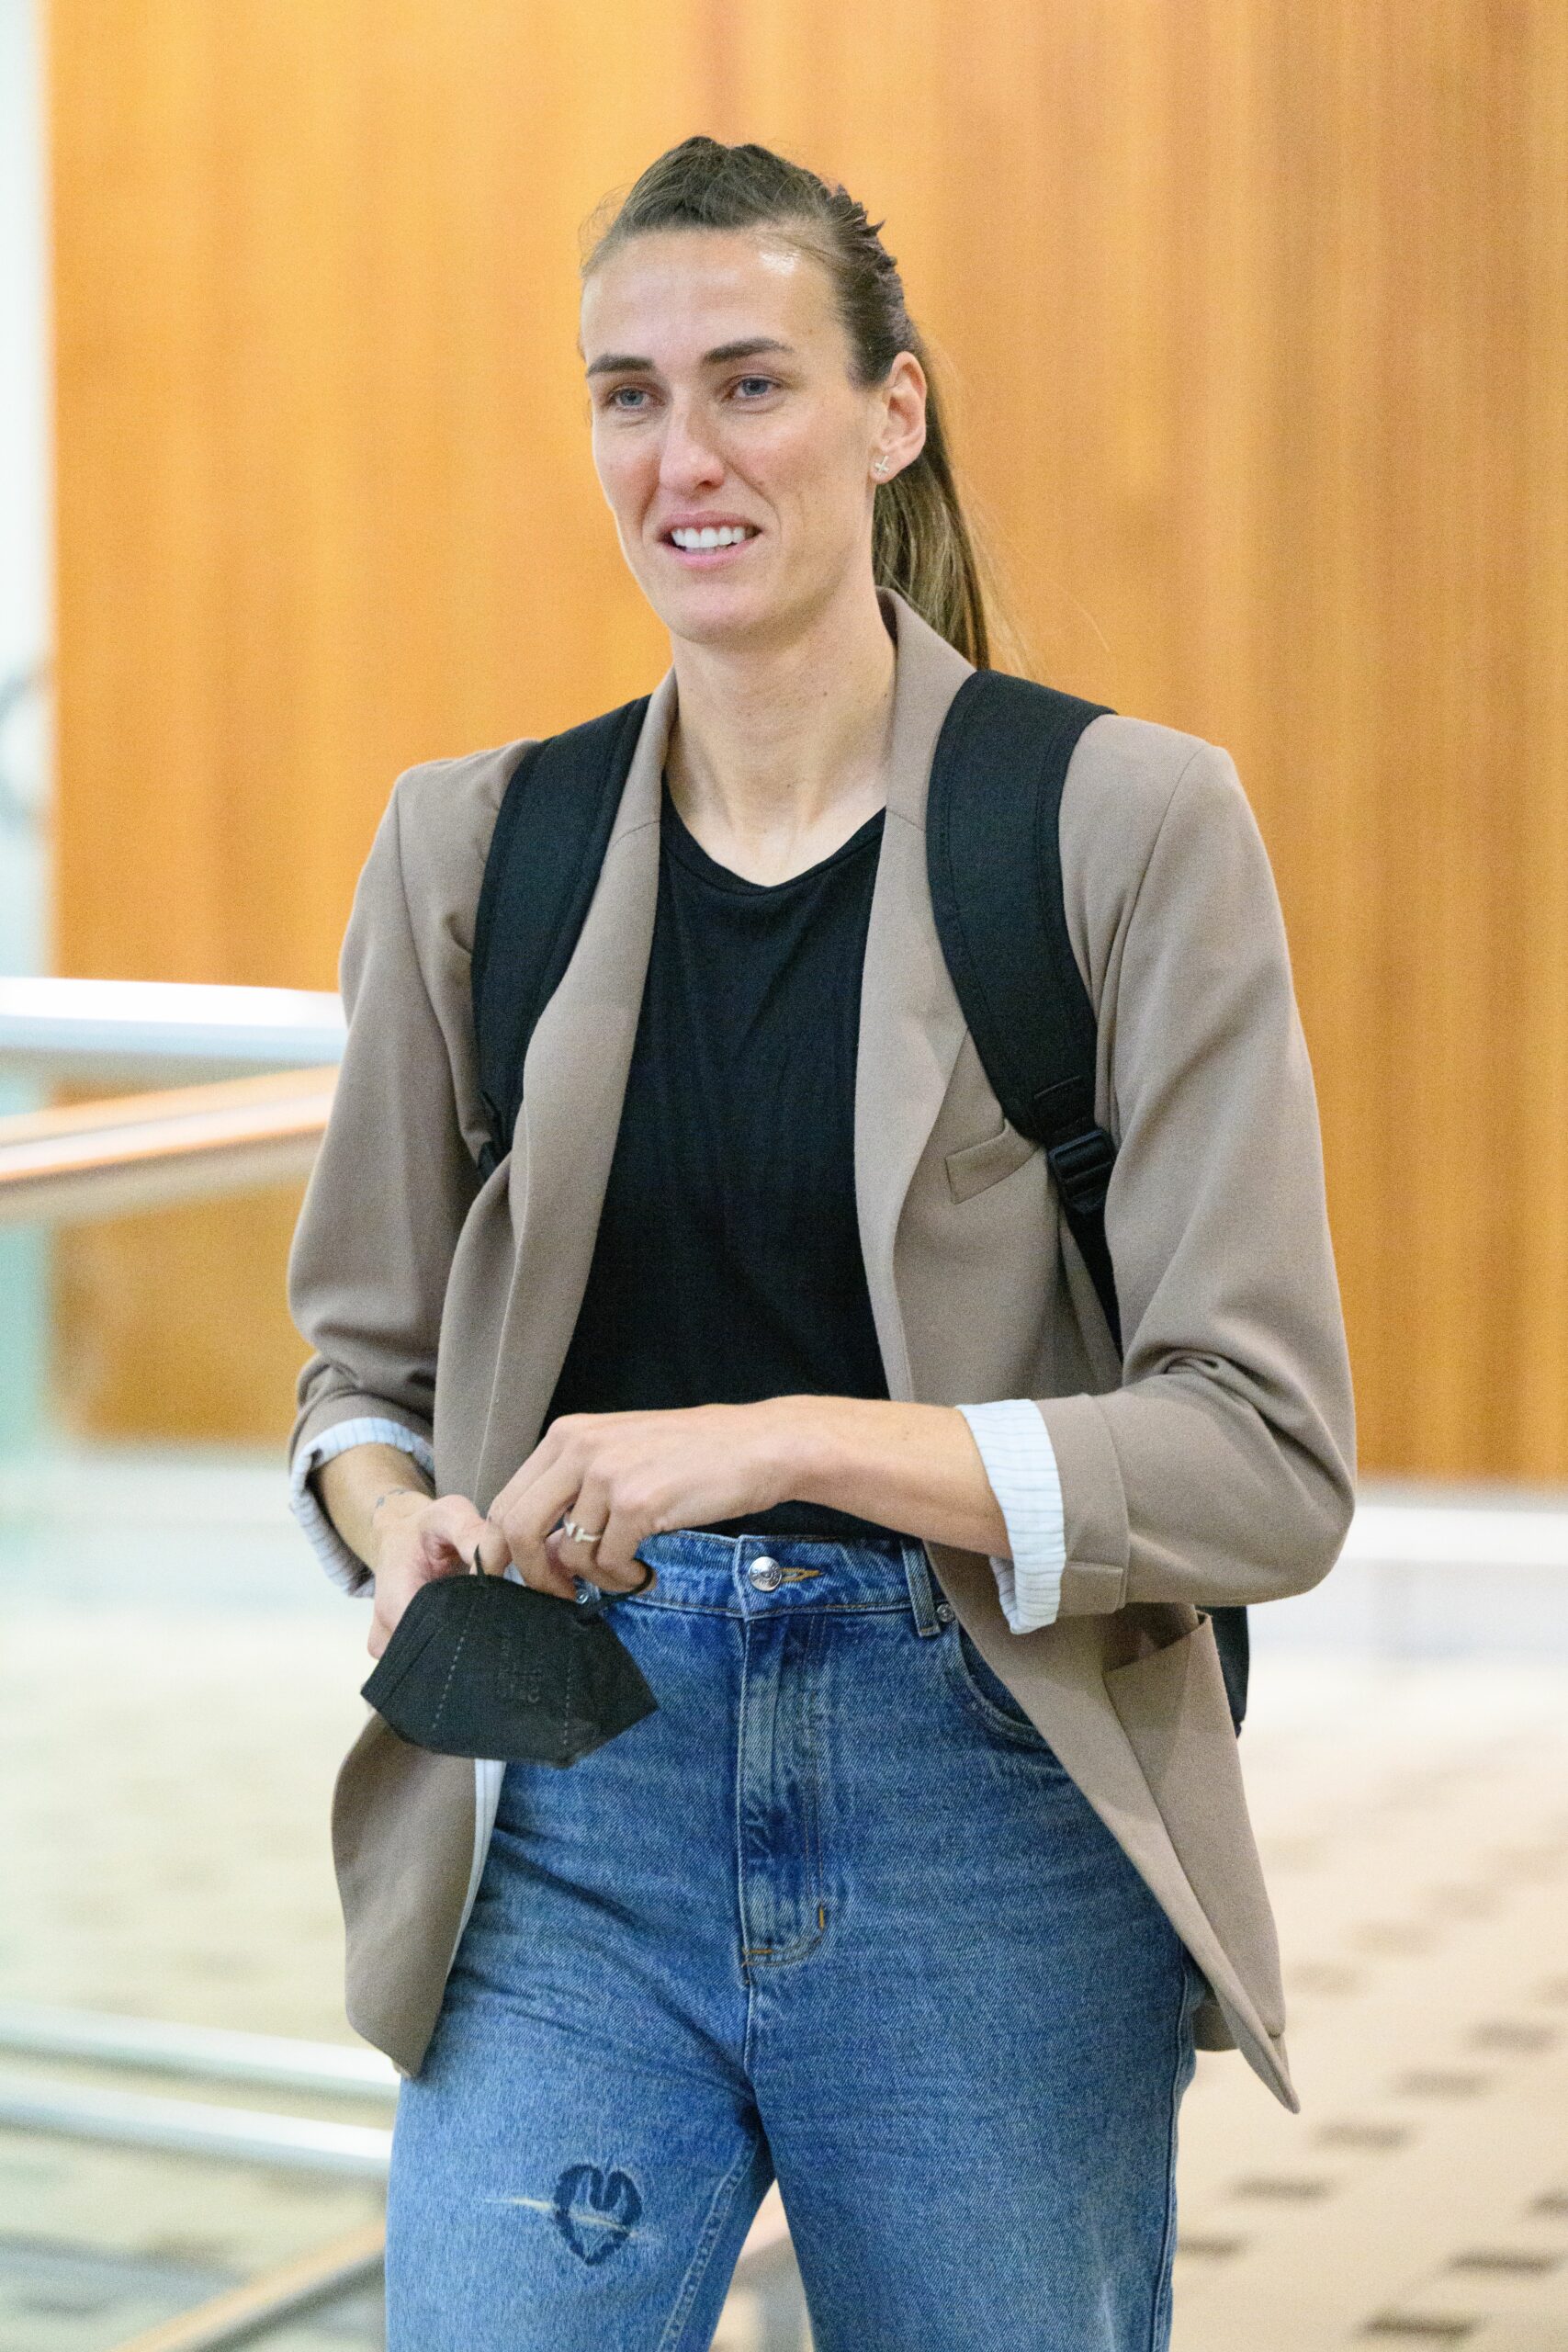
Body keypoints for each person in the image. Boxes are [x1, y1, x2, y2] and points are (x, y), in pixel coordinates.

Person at [287, 135, 1356, 2352]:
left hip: (985, 1802)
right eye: (628, 394)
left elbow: (1263, 1458)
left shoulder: (1121, 827)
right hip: (571, 1801)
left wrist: (774, 1438)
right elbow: (353, 1383)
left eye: (750, 383)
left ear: (891, 411)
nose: (681, 456)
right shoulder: (467, 847)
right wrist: (402, 1526)